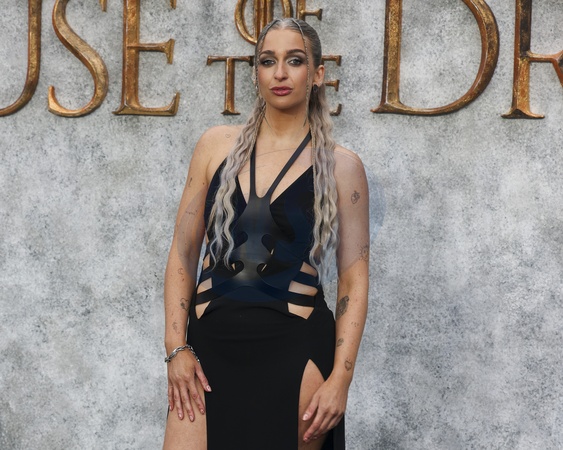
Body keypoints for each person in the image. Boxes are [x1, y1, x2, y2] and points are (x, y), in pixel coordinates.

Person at [162, 18, 369, 450]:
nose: (280, 73)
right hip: (209, 353)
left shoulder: (341, 166)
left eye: (295, 61)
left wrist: (341, 380)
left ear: (317, 74)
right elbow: (183, 252)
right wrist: (176, 347)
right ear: (255, 72)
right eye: (268, 61)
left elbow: (354, 278)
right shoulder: (214, 146)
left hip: (295, 352)